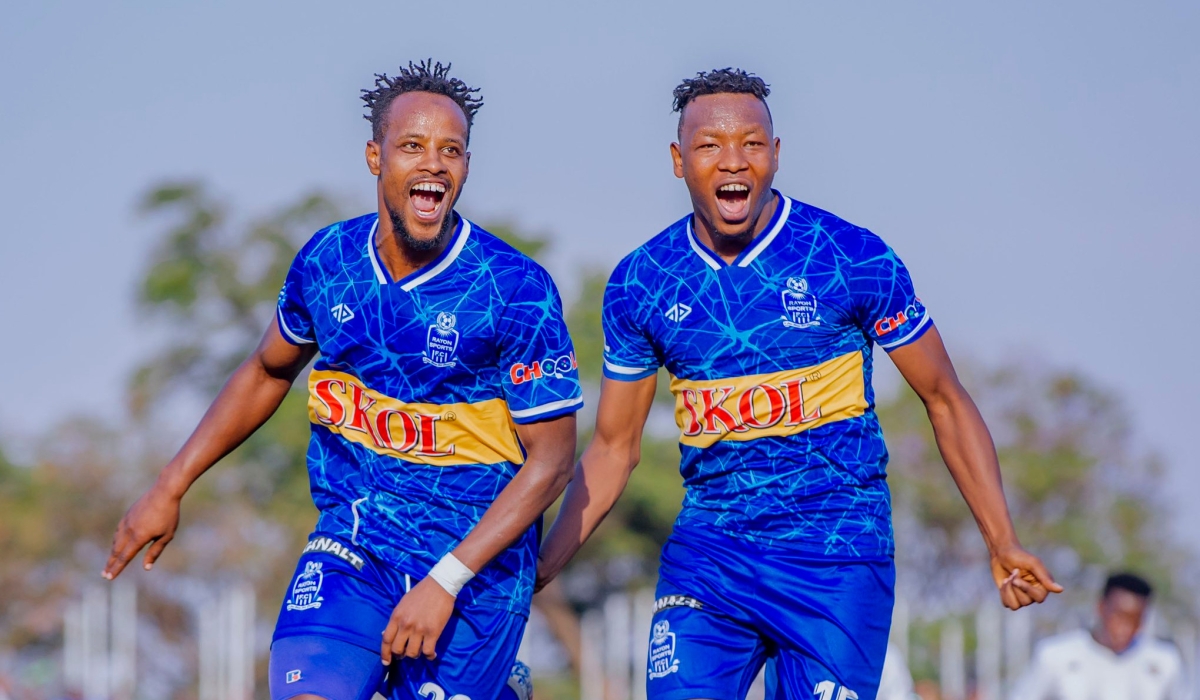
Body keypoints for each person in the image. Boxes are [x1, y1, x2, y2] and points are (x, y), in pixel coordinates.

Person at [535, 67, 1062, 700]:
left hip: (837, 560)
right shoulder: (642, 282)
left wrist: (1001, 540)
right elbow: (614, 448)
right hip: (711, 559)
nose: (734, 162)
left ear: (777, 155)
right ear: (679, 160)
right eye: (710, 146)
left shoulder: (850, 257)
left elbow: (944, 399)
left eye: (752, 144)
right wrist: (541, 565)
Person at [102, 60, 581, 700]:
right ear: (374, 155)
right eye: (413, 147)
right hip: (354, 541)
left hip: (476, 568)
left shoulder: (516, 289)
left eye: (452, 151)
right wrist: (171, 483)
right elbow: (269, 369)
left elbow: (550, 464)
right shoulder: (327, 262)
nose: (434, 165)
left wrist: (445, 581)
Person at [1011, 572, 1187, 700]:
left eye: (1134, 619)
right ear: (1101, 608)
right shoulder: (1055, 655)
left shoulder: (1165, 661)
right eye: (1119, 615)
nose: (1125, 628)